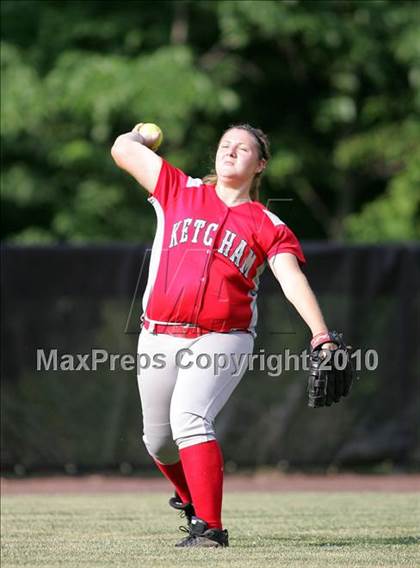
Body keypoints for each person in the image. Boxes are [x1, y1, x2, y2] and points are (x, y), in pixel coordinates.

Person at [111, 123, 340, 548]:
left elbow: (290, 279)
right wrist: (140, 134)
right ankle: (191, 500)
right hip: (158, 334)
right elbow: (122, 151)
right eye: (225, 145)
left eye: (243, 148)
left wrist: (320, 334)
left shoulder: (267, 223)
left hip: (222, 337)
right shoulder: (179, 189)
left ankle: (211, 529)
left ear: (261, 165)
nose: (231, 151)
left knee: (190, 419)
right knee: (158, 442)